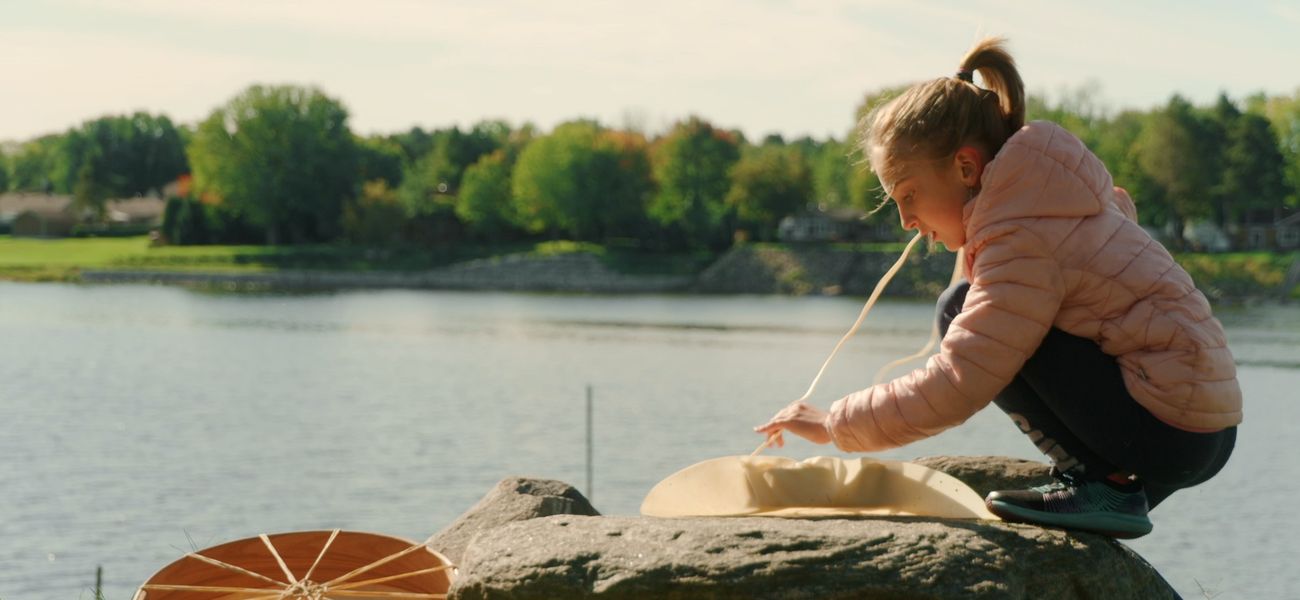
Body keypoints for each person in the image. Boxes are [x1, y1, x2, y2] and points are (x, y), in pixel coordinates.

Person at [753, 37, 1240, 539]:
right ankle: (1109, 482)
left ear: (966, 168)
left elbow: (958, 381)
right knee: (972, 307)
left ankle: (1109, 486)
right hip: (1206, 432)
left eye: (909, 195)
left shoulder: (1023, 239)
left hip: (1169, 434)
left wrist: (834, 424)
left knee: (961, 310)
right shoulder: (1056, 204)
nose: (905, 221)